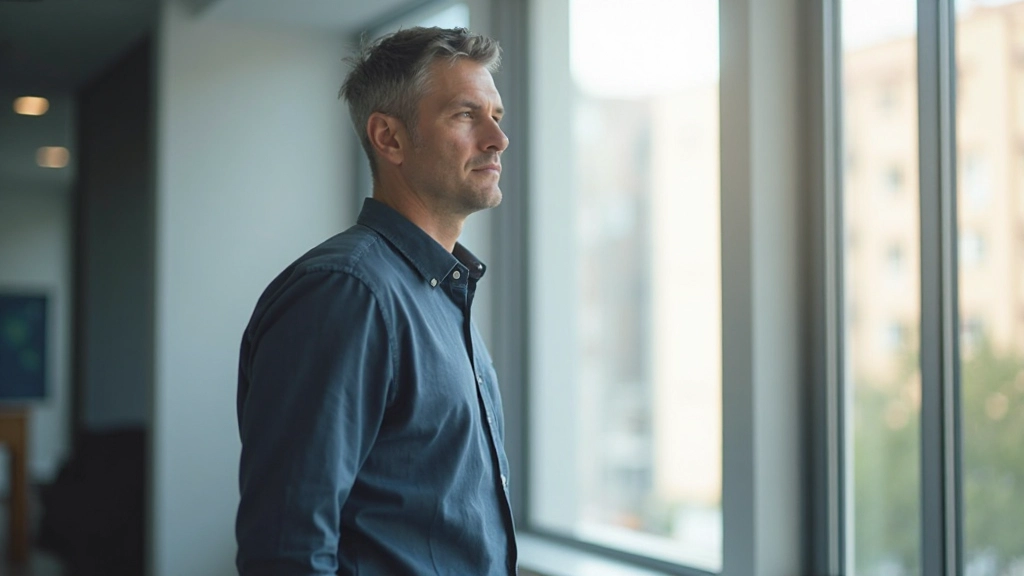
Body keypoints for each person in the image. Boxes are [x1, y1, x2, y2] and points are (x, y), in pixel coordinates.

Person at [235, 27, 516, 576]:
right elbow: (286, 549)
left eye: (497, 116)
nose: (497, 139)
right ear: (389, 138)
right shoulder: (347, 292)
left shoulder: (440, 292)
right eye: (465, 115)